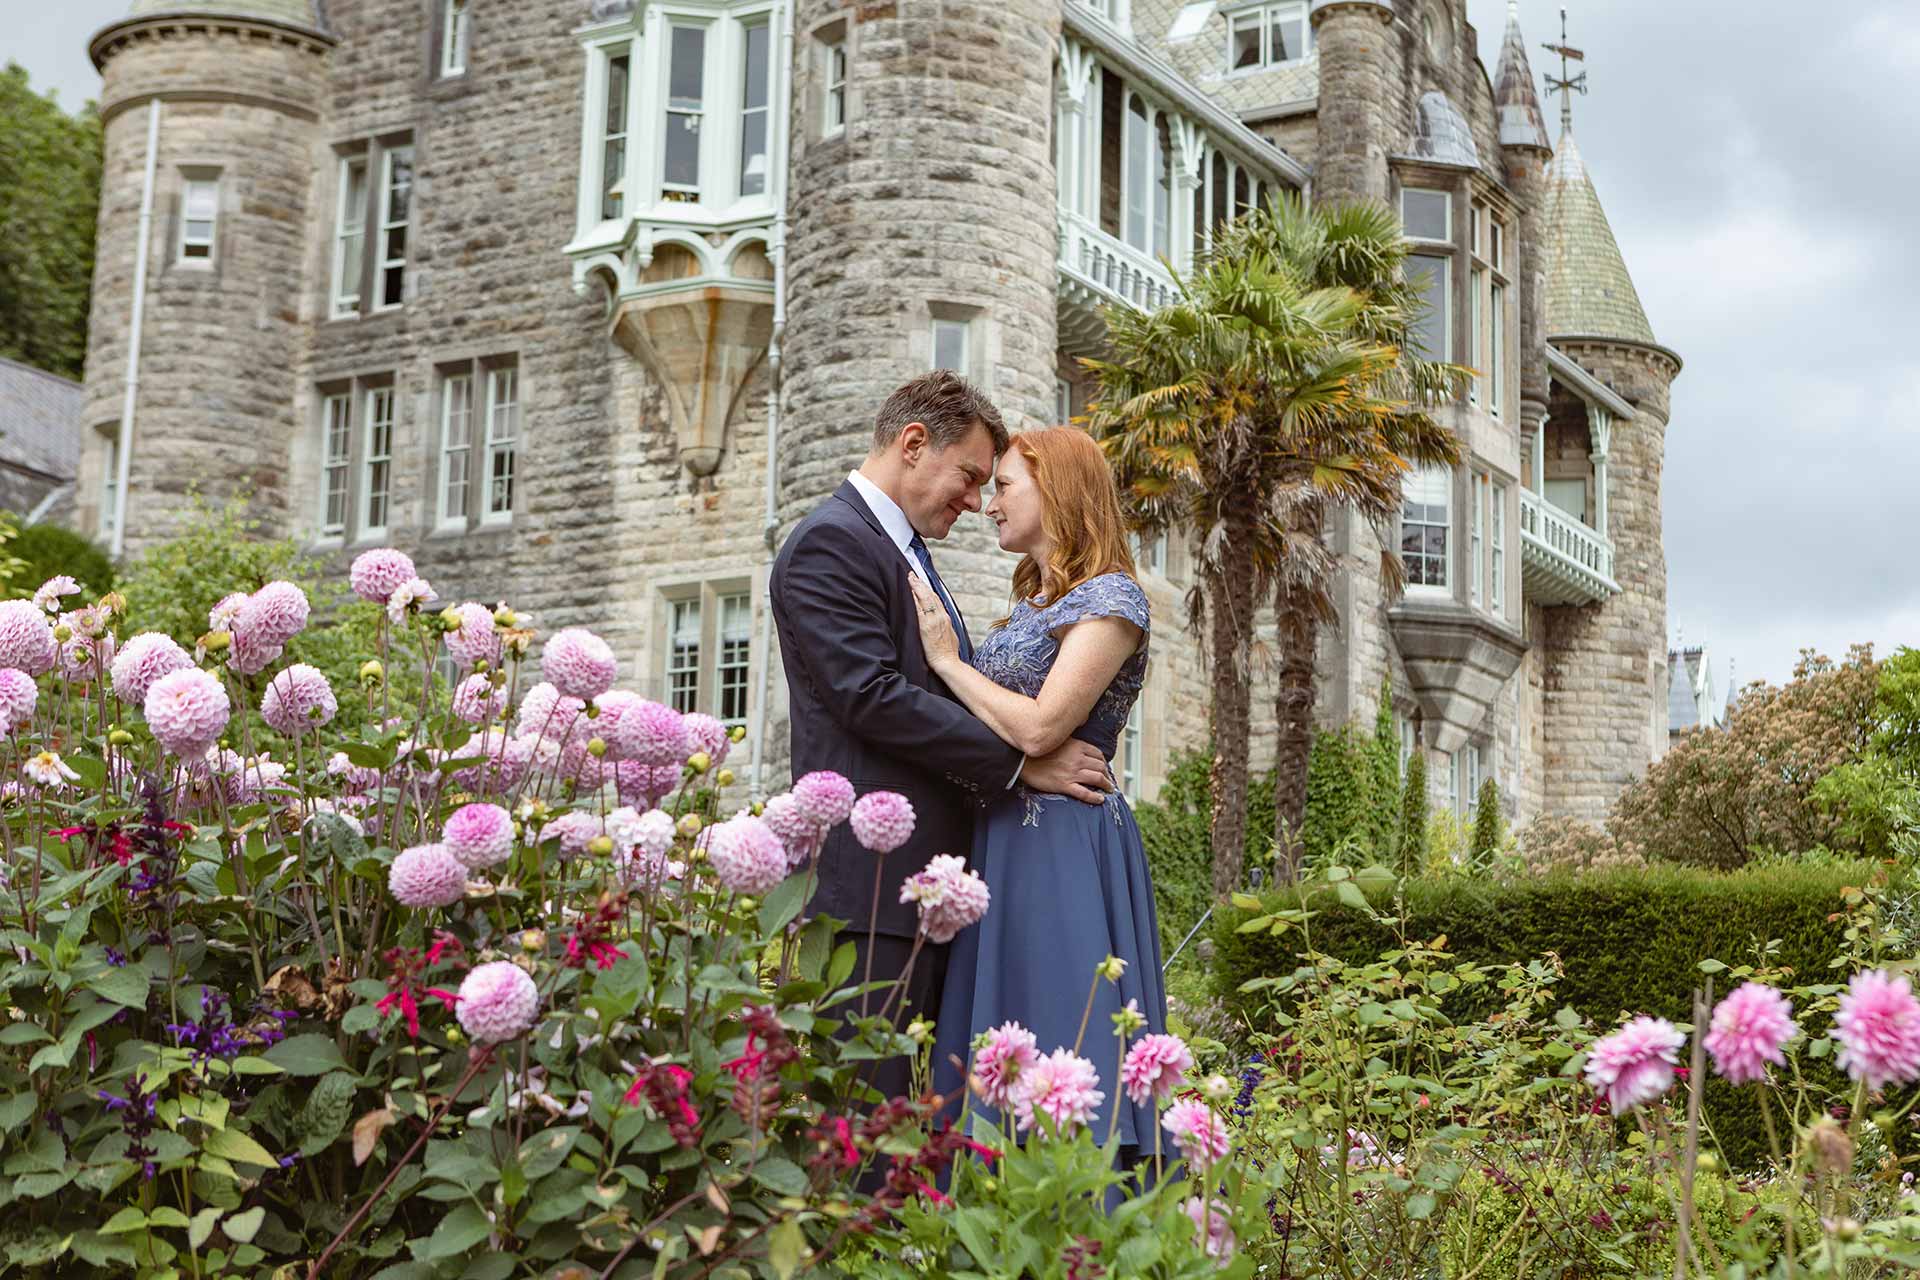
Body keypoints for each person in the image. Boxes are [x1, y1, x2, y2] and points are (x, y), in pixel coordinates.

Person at [768, 371, 1113, 1112]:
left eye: (990, 484)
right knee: (862, 1126)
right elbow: (871, 697)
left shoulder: (904, 554)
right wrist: (1024, 763)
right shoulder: (832, 542)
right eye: (968, 477)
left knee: (915, 1124)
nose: (973, 500)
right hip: (872, 895)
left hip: (926, 888)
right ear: (914, 444)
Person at [918, 425, 1166, 1157]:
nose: (989, 503)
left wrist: (947, 663)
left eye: (1003, 486)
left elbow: (1039, 727)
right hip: (1002, 838)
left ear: (1055, 490)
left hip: (1068, 844)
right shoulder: (1031, 606)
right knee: (996, 1044)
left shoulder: (1112, 600)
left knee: (1069, 1032)